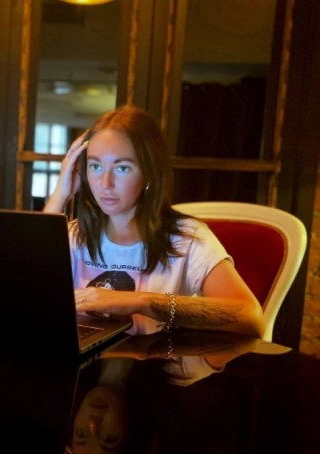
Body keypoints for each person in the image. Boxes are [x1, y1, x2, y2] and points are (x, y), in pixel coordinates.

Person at [44, 104, 265, 339]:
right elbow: (23, 295)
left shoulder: (187, 238)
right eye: (95, 166)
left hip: (156, 359)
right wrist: (60, 194)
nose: (105, 183)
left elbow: (251, 318)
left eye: (122, 168)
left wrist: (140, 301)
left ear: (149, 172)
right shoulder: (72, 235)